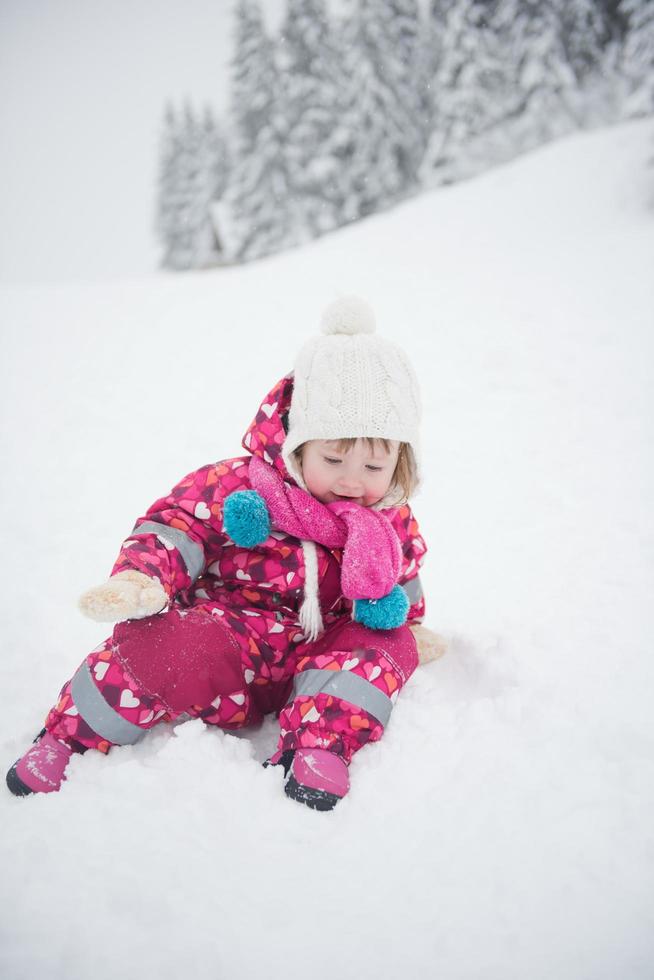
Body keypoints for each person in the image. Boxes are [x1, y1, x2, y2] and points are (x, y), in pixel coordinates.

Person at [6, 296, 440, 811]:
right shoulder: (239, 488)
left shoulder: (388, 520)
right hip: (232, 648)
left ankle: (321, 745)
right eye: (333, 459)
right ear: (297, 444)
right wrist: (143, 578)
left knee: (382, 644)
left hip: (323, 660)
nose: (352, 481)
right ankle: (70, 738)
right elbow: (176, 526)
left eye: (374, 467)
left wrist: (407, 625)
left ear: (400, 460)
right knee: (162, 645)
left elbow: (400, 578)